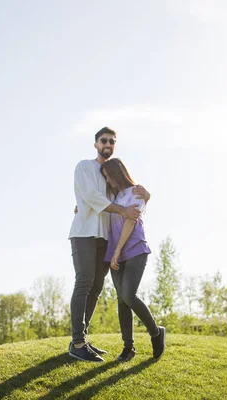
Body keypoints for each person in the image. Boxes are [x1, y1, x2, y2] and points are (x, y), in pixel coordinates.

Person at [68, 127, 150, 362]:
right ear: (96, 144)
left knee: (96, 288)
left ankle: (82, 338)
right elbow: (92, 197)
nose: (108, 144)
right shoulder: (84, 166)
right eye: (104, 140)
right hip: (84, 233)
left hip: (104, 238)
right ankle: (77, 342)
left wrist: (147, 196)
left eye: (112, 141)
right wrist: (120, 209)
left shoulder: (110, 174)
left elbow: (129, 204)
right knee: (84, 282)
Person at [101, 158, 166, 362]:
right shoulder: (112, 195)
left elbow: (130, 221)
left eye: (108, 176)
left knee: (129, 295)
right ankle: (128, 348)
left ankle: (156, 333)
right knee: (121, 300)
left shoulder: (136, 191)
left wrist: (117, 251)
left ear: (117, 173)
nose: (107, 181)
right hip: (115, 252)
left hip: (134, 249)